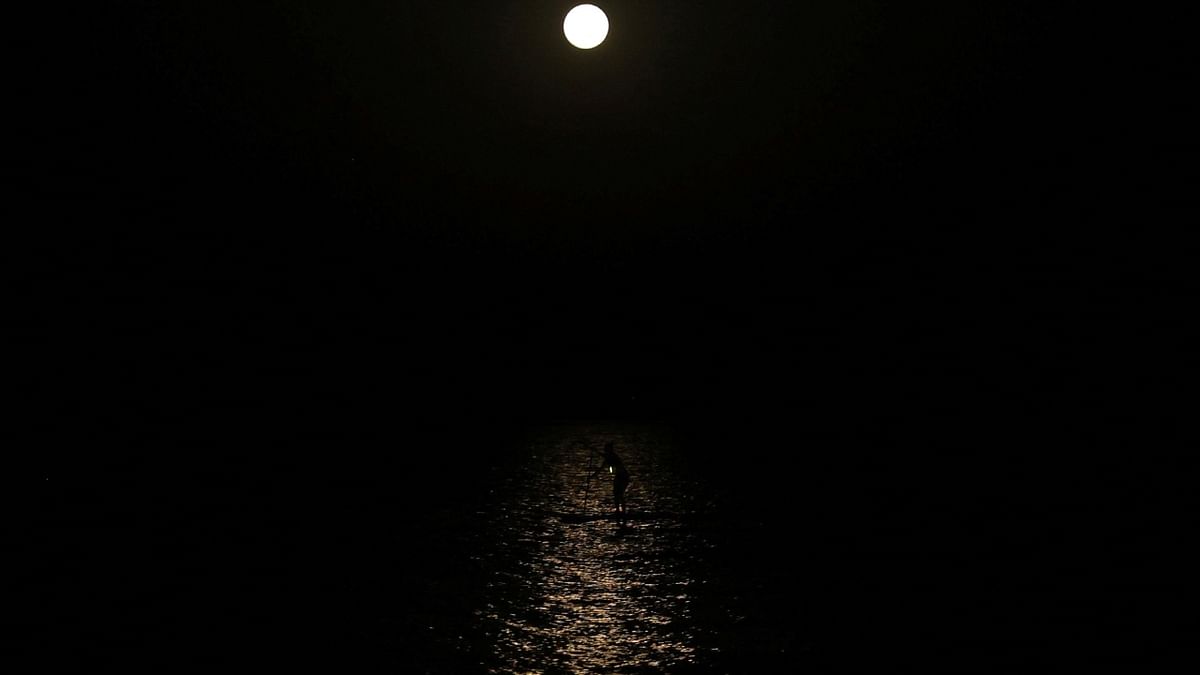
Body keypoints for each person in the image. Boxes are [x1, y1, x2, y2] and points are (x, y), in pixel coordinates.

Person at [591, 441, 630, 515]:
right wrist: (592, 476)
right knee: (615, 494)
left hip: (624, 476)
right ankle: (618, 511)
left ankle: (623, 512)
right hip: (618, 476)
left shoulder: (613, 456)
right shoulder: (607, 458)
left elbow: (604, 456)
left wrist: (595, 451)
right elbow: (600, 469)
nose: (605, 451)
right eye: (605, 449)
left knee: (620, 494)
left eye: (607, 449)